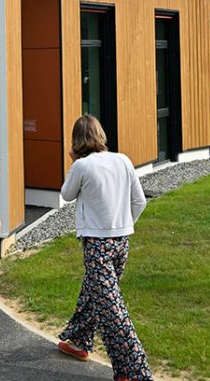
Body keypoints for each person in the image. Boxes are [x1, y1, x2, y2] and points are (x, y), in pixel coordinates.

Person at [56, 115, 153, 381]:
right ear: (100, 134)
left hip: (97, 245)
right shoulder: (123, 160)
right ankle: (78, 341)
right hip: (122, 241)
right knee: (96, 295)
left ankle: (135, 372)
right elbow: (140, 201)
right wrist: (123, 225)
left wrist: (72, 163)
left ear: (76, 140)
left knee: (112, 311)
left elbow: (65, 194)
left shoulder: (82, 166)